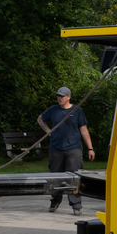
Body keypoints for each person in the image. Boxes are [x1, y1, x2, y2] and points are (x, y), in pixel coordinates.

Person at [37, 86, 95, 216]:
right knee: (55, 176)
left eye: (62, 96)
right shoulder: (53, 110)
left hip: (73, 149)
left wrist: (90, 148)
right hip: (56, 149)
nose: (60, 98)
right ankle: (55, 201)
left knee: (74, 177)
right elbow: (40, 119)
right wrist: (48, 131)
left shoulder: (77, 110)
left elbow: (84, 130)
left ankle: (76, 205)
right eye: (58, 96)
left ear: (69, 97)